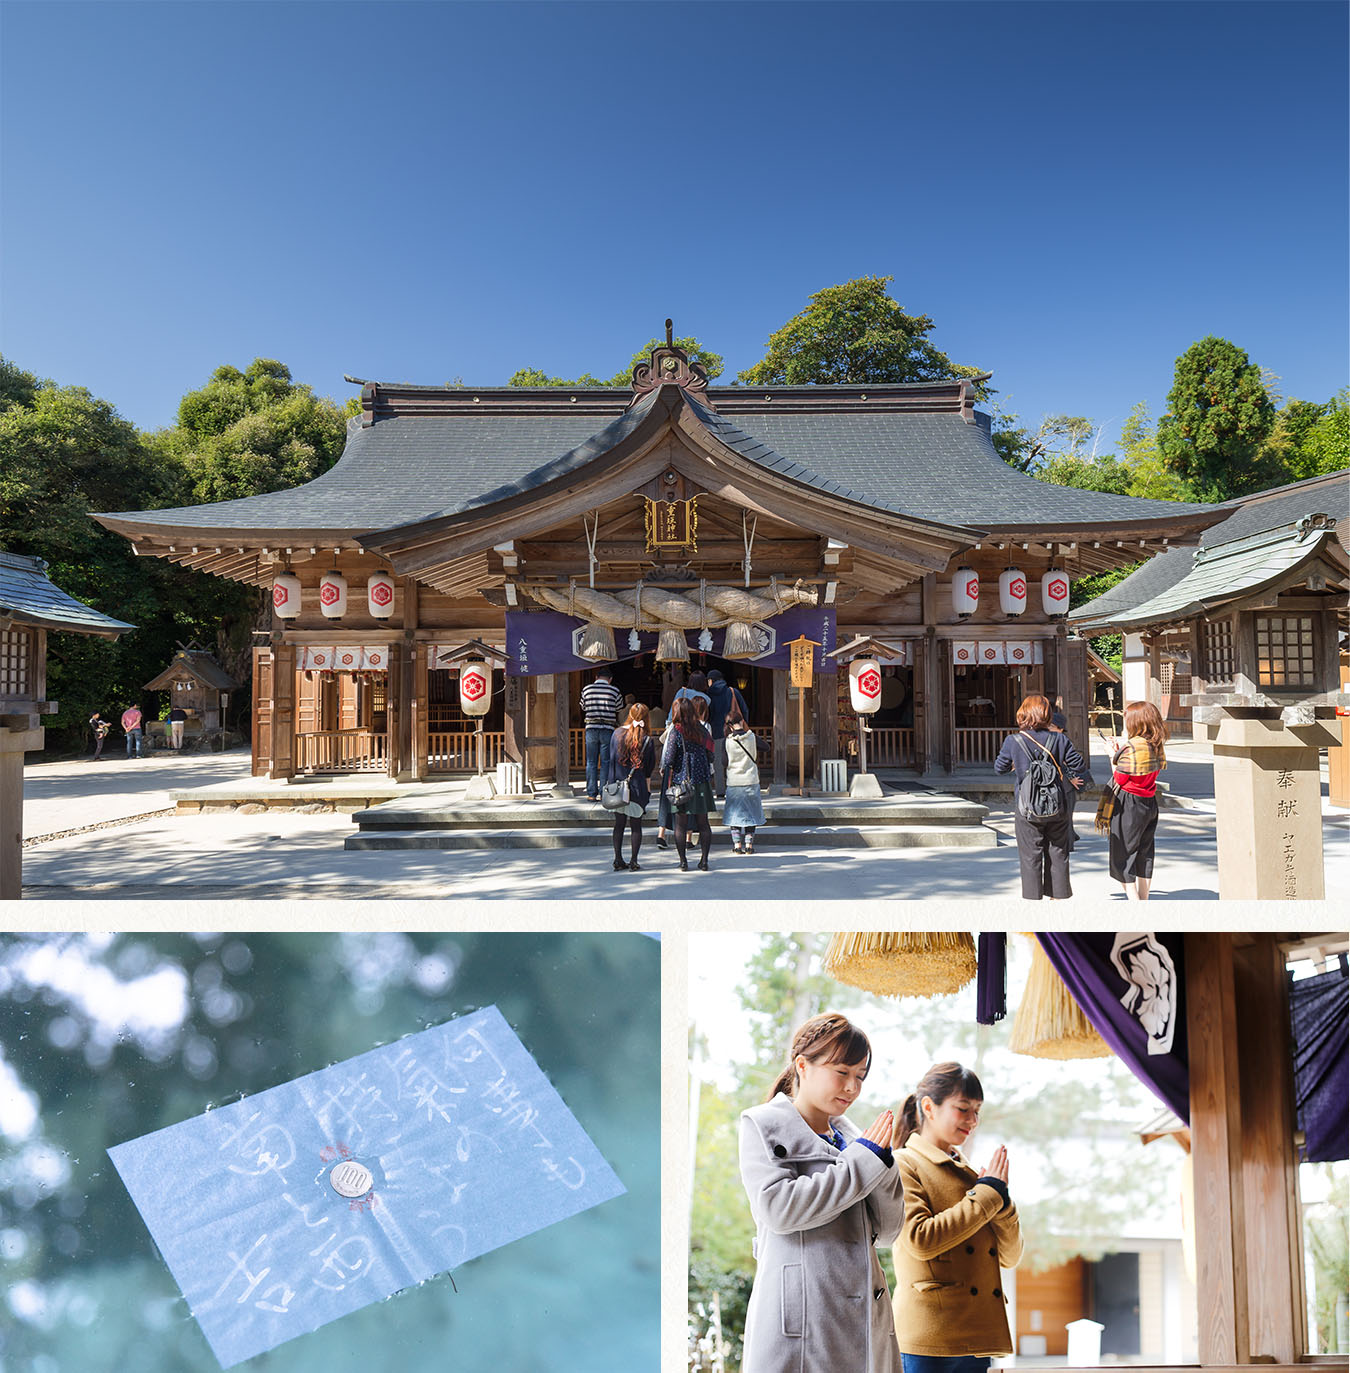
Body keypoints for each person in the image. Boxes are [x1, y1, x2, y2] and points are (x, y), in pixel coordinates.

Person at [739, 1013, 905, 1373]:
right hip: (802, 1327)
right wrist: (864, 1162)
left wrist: (885, 1165)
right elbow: (779, 1209)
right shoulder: (763, 1126)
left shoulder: (856, 1142)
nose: (852, 1087)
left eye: (860, 1076)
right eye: (842, 1072)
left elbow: (889, 1233)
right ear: (802, 1065)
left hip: (864, 1322)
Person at [890, 1062, 1022, 1373]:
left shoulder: (971, 1176)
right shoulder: (903, 1163)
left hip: (977, 1336)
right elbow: (920, 1240)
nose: (973, 1120)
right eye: (963, 1108)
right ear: (929, 1107)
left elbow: (1010, 1256)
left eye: (977, 1111)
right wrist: (987, 1195)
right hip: (927, 1339)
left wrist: (1000, 1200)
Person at [992, 694, 1086, 900]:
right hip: (1056, 804)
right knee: (1058, 853)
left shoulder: (1013, 740)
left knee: (1030, 856)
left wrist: (1017, 763)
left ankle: (1033, 901)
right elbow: (1078, 765)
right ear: (1047, 715)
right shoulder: (1060, 739)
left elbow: (1000, 768)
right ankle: (1057, 898)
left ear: (1023, 714)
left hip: (1027, 806)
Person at [1105, 700, 1168, 901]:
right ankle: (1144, 897)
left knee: (1123, 853)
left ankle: (1134, 900)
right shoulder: (1155, 744)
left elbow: (1120, 778)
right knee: (1145, 851)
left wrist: (1110, 755)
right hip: (1149, 801)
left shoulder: (1132, 747)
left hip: (1129, 804)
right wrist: (1118, 752)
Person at [660, 696, 715, 870]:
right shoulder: (702, 729)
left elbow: (668, 759)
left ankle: (683, 861)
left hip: (680, 782)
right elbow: (711, 754)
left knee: (681, 824)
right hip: (701, 781)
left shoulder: (676, 731)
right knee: (703, 823)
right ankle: (704, 861)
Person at [603, 703, 656, 871]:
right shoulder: (647, 738)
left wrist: (609, 783)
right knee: (636, 825)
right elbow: (648, 768)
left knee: (619, 824)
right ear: (647, 718)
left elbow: (610, 761)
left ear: (629, 714)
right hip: (637, 786)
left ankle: (618, 859)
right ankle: (634, 860)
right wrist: (648, 790)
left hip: (618, 787)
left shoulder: (616, 734)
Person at [721, 705, 763, 854]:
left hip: (734, 782)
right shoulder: (751, 737)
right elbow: (766, 747)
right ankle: (749, 846)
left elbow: (724, 762)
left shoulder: (727, 741)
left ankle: (737, 845)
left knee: (735, 815)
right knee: (751, 814)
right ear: (742, 721)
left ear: (729, 726)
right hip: (751, 780)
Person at [579, 666, 624, 801]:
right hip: (607, 728)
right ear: (610, 679)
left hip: (591, 727)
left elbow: (583, 706)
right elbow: (619, 707)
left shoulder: (587, 689)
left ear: (596, 677)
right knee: (606, 762)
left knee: (591, 761)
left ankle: (591, 793)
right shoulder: (614, 690)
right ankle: (604, 792)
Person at [707, 668, 747, 797]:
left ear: (711, 680)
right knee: (735, 760)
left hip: (716, 732)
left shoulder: (708, 695)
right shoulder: (732, 691)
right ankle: (735, 788)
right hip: (734, 732)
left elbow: (707, 714)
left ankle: (720, 791)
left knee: (718, 763)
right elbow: (744, 710)